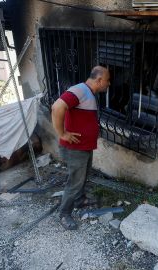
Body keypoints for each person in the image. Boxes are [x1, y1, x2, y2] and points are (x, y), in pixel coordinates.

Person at [51, 66, 110, 230]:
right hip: (75, 148)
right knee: (75, 182)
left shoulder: (86, 92)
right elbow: (57, 107)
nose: (109, 83)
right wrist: (62, 133)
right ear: (99, 80)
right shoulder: (80, 90)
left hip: (83, 146)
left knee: (83, 176)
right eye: (107, 80)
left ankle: (79, 200)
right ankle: (64, 213)